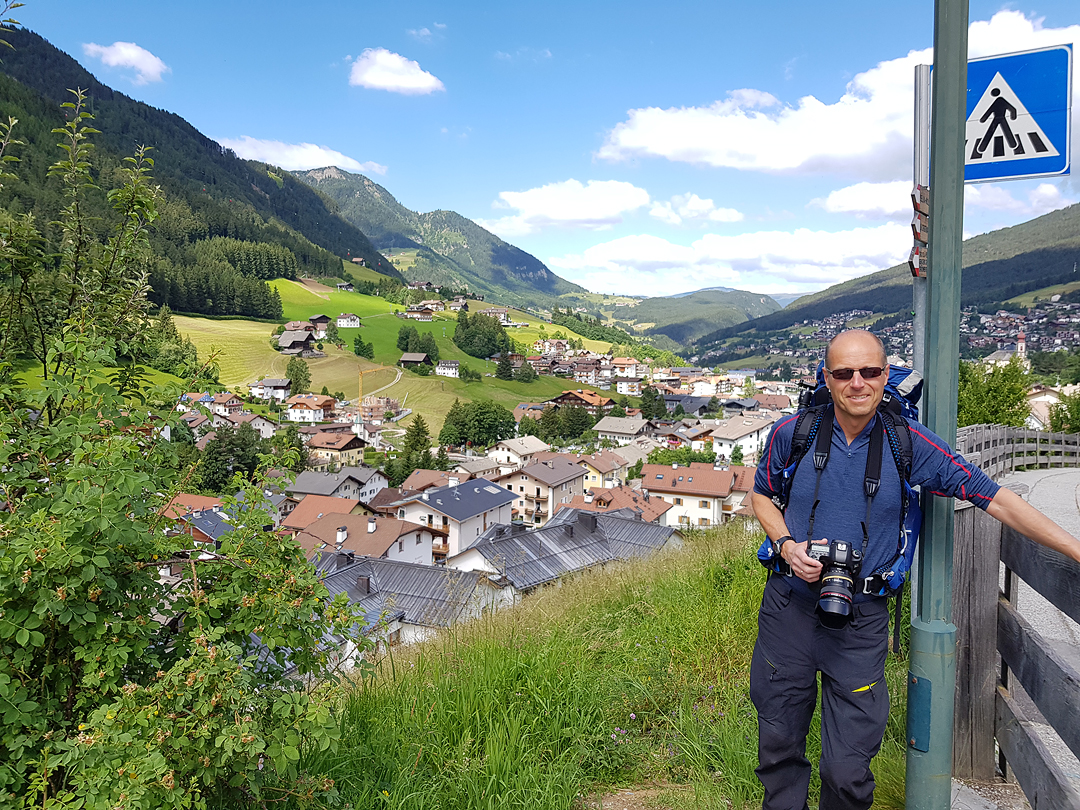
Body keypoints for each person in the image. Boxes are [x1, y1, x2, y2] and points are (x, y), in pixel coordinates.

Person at [749, 329, 1080, 810]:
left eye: (870, 371)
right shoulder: (792, 433)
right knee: (778, 745)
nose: (857, 382)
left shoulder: (908, 443)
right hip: (788, 609)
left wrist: (1074, 547)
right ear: (827, 377)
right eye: (844, 373)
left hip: (860, 618)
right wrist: (784, 544)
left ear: (886, 376)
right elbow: (760, 494)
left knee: (847, 767)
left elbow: (996, 498)